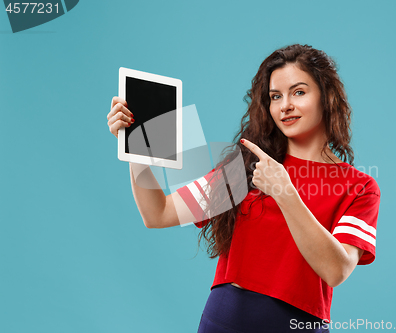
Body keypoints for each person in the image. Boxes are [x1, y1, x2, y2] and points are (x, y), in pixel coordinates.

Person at [107, 44, 380, 332]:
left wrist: (285, 193)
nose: (285, 105)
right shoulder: (246, 165)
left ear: (328, 97)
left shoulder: (359, 187)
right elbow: (157, 213)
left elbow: (336, 270)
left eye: (299, 92)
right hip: (224, 322)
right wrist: (134, 147)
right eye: (276, 96)